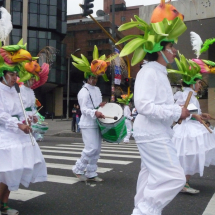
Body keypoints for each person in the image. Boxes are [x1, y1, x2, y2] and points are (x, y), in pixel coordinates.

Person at [116, 1, 189, 213]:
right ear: (159, 49)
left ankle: (141, 209)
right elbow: (144, 105)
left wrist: (182, 113)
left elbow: (160, 105)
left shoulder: (157, 71)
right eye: (171, 47)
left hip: (157, 131)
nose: (175, 51)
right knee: (175, 177)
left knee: (149, 175)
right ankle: (145, 210)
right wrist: (176, 111)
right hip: (152, 133)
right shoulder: (149, 72)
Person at [0, 70, 47, 215]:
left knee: (17, 169)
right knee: (7, 170)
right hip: (4, 134)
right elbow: (1, 114)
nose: (15, 78)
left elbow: (21, 111)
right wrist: (18, 124)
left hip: (18, 133)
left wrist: (28, 118)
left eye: (16, 75)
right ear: (3, 74)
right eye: (12, 75)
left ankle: (4, 204)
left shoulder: (15, 90)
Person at [170, 52, 215, 194]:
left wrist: (202, 115)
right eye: (199, 82)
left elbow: (192, 111)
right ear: (192, 82)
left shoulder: (191, 95)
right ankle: (183, 182)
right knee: (190, 156)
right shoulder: (186, 94)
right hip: (186, 130)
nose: (200, 84)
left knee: (192, 156)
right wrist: (195, 115)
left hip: (191, 128)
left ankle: (183, 181)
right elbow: (181, 111)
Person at [70, 45, 116, 182]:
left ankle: (91, 172)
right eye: (92, 77)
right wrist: (95, 111)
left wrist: (100, 107)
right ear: (87, 76)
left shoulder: (97, 89)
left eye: (96, 78)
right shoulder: (83, 91)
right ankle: (78, 169)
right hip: (87, 123)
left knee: (96, 150)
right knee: (91, 148)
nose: (94, 80)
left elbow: (96, 105)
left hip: (96, 122)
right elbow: (83, 109)